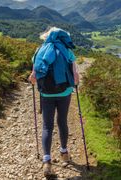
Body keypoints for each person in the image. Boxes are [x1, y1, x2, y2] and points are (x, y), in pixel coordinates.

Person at [28, 27, 79, 177]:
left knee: (47, 126)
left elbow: (33, 76)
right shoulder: (68, 52)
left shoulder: (39, 51)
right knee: (62, 122)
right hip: (64, 93)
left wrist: (33, 81)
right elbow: (76, 78)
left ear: (46, 37)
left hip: (46, 94)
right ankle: (64, 152)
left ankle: (47, 161)